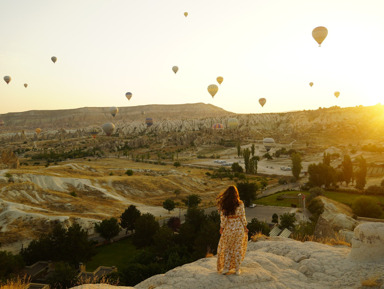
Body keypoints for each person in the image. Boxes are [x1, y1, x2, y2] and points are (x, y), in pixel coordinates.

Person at [216, 185, 248, 275]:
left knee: (227, 248)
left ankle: (226, 268)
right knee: (238, 248)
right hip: (239, 228)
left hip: (229, 228)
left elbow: (223, 218)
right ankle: (237, 269)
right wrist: (245, 227)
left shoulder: (224, 204)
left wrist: (221, 228)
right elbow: (242, 216)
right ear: (236, 194)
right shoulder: (240, 203)